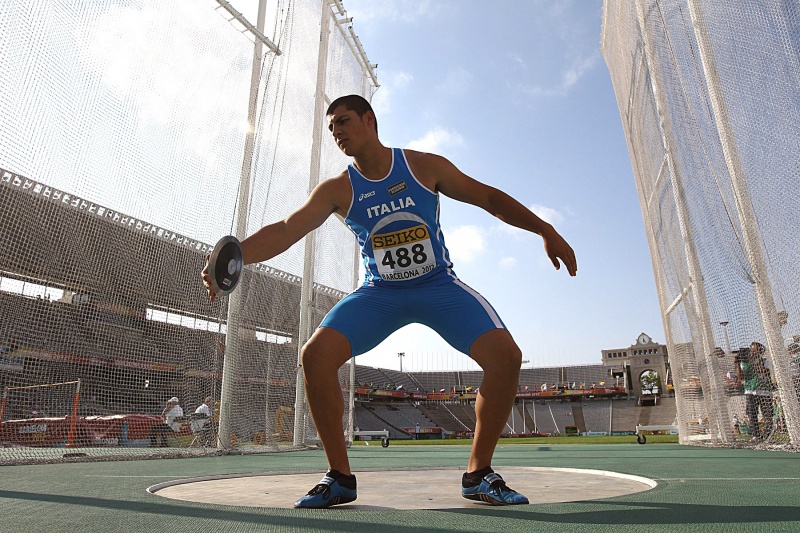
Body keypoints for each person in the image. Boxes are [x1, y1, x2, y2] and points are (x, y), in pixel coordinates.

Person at [202, 94, 577, 508]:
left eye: (343, 121)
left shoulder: (423, 167)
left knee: (506, 356)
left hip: (437, 286)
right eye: (331, 127)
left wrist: (544, 229)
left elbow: (488, 198)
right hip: (380, 293)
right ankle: (339, 477)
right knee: (315, 355)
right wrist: (233, 257)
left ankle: (479, 474)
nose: (337, 132)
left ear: (369, 120)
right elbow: (288, 228)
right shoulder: (338, 189)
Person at [737, 342, 774, 443]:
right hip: (750, 390)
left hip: (764, 390)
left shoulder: (764, 361)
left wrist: (753, 363)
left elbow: (766, 372)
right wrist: (737, 363)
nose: (754, 352)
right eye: (752, 350)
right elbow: (741, 377)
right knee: (752, 413)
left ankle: (767, 436)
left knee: (767, 414)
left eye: (756, 350)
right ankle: (756, 435)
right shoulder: (744, 363)